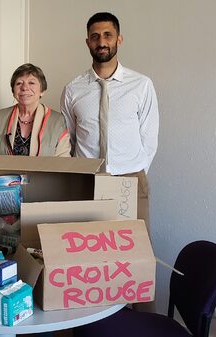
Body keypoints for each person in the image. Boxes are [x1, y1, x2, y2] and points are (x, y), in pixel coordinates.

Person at [60, 12, 159, 312]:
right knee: (91, 258)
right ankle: (93, 322)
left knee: (137, 257)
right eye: (95, 36)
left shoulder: (141, 85)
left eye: (107, 35)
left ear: (119, 39)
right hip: (89, 182)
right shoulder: (73, 89)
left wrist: (132, 177)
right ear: (87, 41)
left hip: (130, 180)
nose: (101, 41)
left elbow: (149, 139)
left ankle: (144, 322)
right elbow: (71, 139)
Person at [0, 63, 71, 157]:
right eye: (19, 83)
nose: (25, 88)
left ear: (42, 90)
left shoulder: (57, 121)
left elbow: (63, 162)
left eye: (31, 83)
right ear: (13, 91)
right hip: (4, 172)